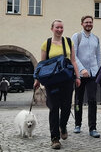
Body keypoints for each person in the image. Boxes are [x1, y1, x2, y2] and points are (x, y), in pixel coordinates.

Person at [33, 19, 81, 150]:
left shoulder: (68, 42)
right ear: (52, 29)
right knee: (54, 108)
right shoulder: (46, 44)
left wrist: (78, 76)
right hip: (52, 81)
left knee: (66, 106)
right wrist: (37, 79)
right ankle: (54, 138)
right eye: (57, 28)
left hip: (67, 79)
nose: (59, 30)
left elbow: (73, 61)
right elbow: (42, 64)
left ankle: (63, 125)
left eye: (61, 27)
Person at [72, 15, 101, 138]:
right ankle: (77, 124)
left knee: (92, 100)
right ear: (82, 23)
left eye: (90, 22)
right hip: (79, 74)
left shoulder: (96, 39)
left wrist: (98, 70)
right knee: (78, 100)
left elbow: (98, 56)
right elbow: (73, 56)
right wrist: (82, 69)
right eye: (86, 22)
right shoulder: (77, 37)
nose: (88, 24)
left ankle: (92, 127)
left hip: (93, 75)